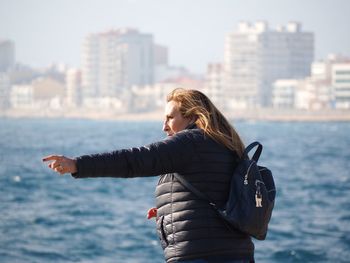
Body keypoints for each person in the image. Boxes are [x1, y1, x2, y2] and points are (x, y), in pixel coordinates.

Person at [42, 88, 254, 263]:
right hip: (239, 254)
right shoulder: (229, 146)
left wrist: (78, 165)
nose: (164, 126)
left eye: (170, 118)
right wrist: (171, 210)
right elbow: (220, 193)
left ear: (191, 116)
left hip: (200, 255)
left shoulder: (190, 142)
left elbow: (134, 161)